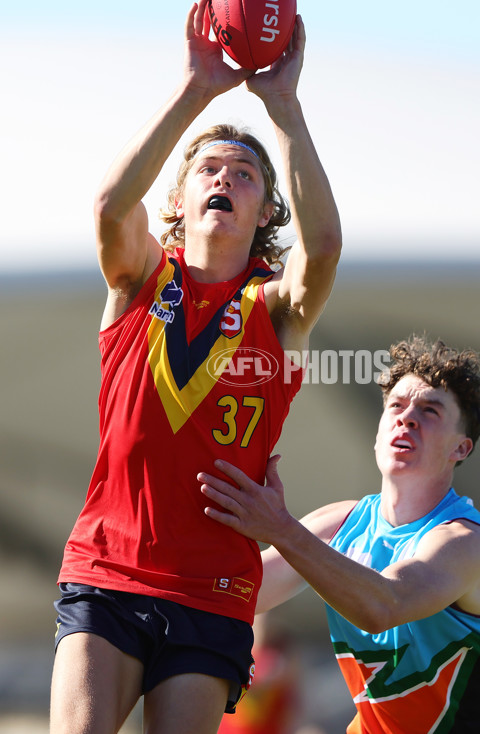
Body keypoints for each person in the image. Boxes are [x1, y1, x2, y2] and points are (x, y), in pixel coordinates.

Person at [50, 1, 341, 732]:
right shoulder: (140, 281)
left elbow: (326, 249)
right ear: (178, 200)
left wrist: (284, 106)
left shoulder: (275, 312)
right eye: (209, 168)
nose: (225, 178)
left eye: (244, 174)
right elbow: (112, 206)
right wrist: (196, 90)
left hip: (211, 590)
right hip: (107, 568)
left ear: (265, 211)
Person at [199, 335, 480, 733]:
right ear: (379, 432)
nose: (407, 417)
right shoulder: (338, 525)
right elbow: (235, 592)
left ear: (461, 448)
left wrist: (280, 528)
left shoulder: (465, 542)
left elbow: (384, 606)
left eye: (430, 410)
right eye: (396, 406)